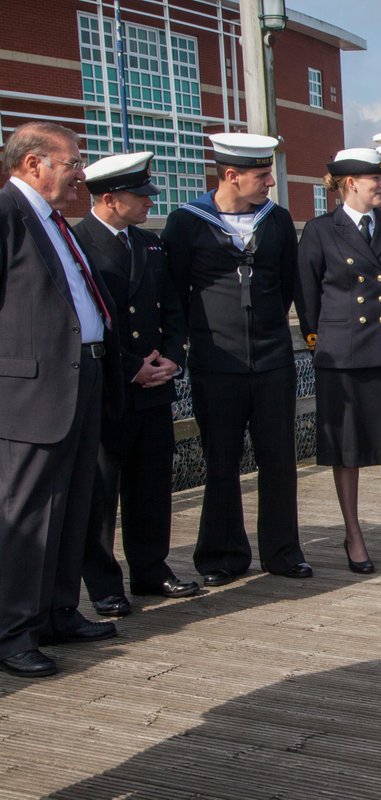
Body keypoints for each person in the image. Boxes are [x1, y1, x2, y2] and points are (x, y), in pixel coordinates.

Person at [0, 122, 123, 678]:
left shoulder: (55, 222)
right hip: (29, 392)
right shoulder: (8, 214)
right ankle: (13, 633)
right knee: (27, 516)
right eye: (72, 162)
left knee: (74, 506)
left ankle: (57, 612)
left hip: (81, 378)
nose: (80, 171)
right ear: (33, 165)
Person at [162, 132, 312, 586]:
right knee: (222, 460)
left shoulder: (278, 220)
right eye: (262, 175)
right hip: (215, 361)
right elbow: (172, 292)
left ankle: (282, 552)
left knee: (279, 458)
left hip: (271, 360)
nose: (270, 182)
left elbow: (290, 283)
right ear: (231, 175)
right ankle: (222, 556)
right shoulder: (187, 221)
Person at [76, 152, 199, 618]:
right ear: (110, 199)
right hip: (110, 388)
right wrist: (130, 366)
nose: (150, 204)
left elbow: (172, 307)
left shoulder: (148, 244)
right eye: (140, 196)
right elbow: (83, 320)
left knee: (151, 486)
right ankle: (105, 584)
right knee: (103, 492)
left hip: (155, 387)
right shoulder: (78, 243)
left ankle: (151, 569)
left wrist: (172, 355)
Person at [295, 148, 381, 573]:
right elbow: (308, 297)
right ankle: (354, 534)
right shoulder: (320, 230)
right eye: (374, 179)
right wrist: (322, 341)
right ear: (350, 184)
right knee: (346, 451)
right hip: (342, 354)